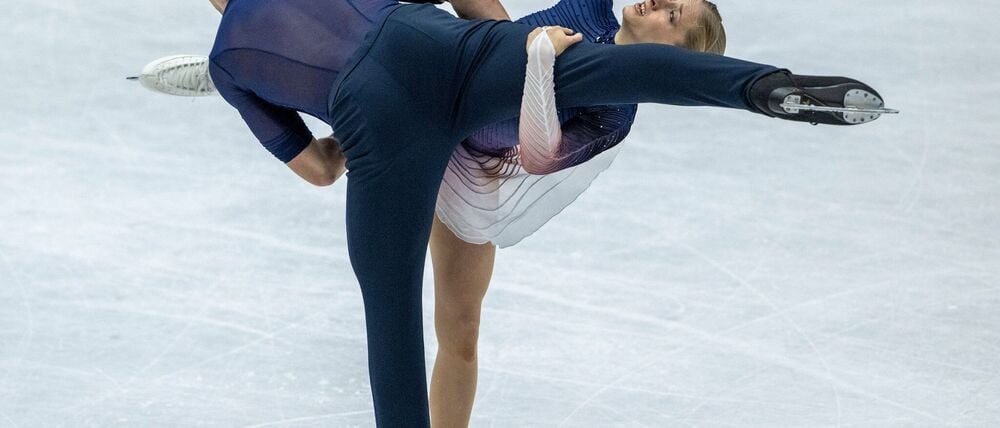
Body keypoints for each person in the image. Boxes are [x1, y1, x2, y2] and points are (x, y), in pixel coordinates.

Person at [140, 0, 889, 426]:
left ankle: (768, 87)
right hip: (448, 77)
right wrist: (508, 48)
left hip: (471, 168)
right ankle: (765, 88)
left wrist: (315, 109)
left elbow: (533, 152)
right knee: (400, 310)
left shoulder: (613, 116)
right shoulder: (592, 9)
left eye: (677, 13)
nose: (659, 0)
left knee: (412, 317)